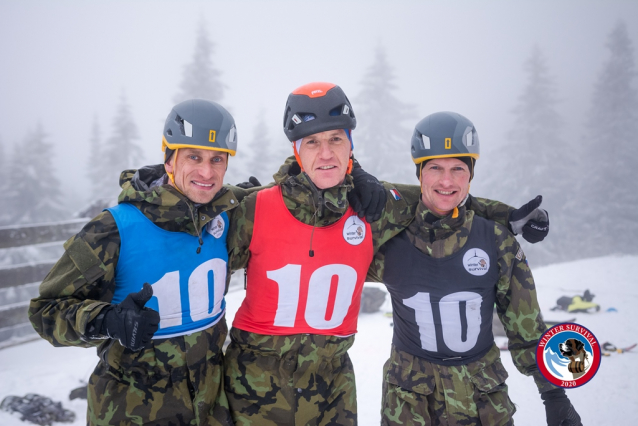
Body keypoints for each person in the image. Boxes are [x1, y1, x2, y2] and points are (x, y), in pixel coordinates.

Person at [222, 82, 545, 426]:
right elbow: (201, 215)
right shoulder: (255, 208)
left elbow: (440, 197)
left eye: (336, 139)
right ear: (296, 149)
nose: (326, 153)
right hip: (253, 390)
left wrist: (504, 215)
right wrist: (160, 192)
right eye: (312, 142)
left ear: (351, 143)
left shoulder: (372, 208)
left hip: (332, 391)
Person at [29, 99, 242, 425]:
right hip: (131, 411)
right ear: (169, 158)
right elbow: (46, 311)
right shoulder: (110, 229)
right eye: (193, 157)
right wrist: (107, 321)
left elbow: (293, 189)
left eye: (217, 159)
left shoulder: (226, 217)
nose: (206, 171)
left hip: (209, 407)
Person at [368, 111, 581, 426]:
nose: (447, 180)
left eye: (458, 169)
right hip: (408, 404)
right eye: (435, 168)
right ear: (418, 174)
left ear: (470, 175)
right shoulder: (390, 240)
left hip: (484, 402)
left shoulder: (496, 241)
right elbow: (323, 246)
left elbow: (526, 327)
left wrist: (554, 395)